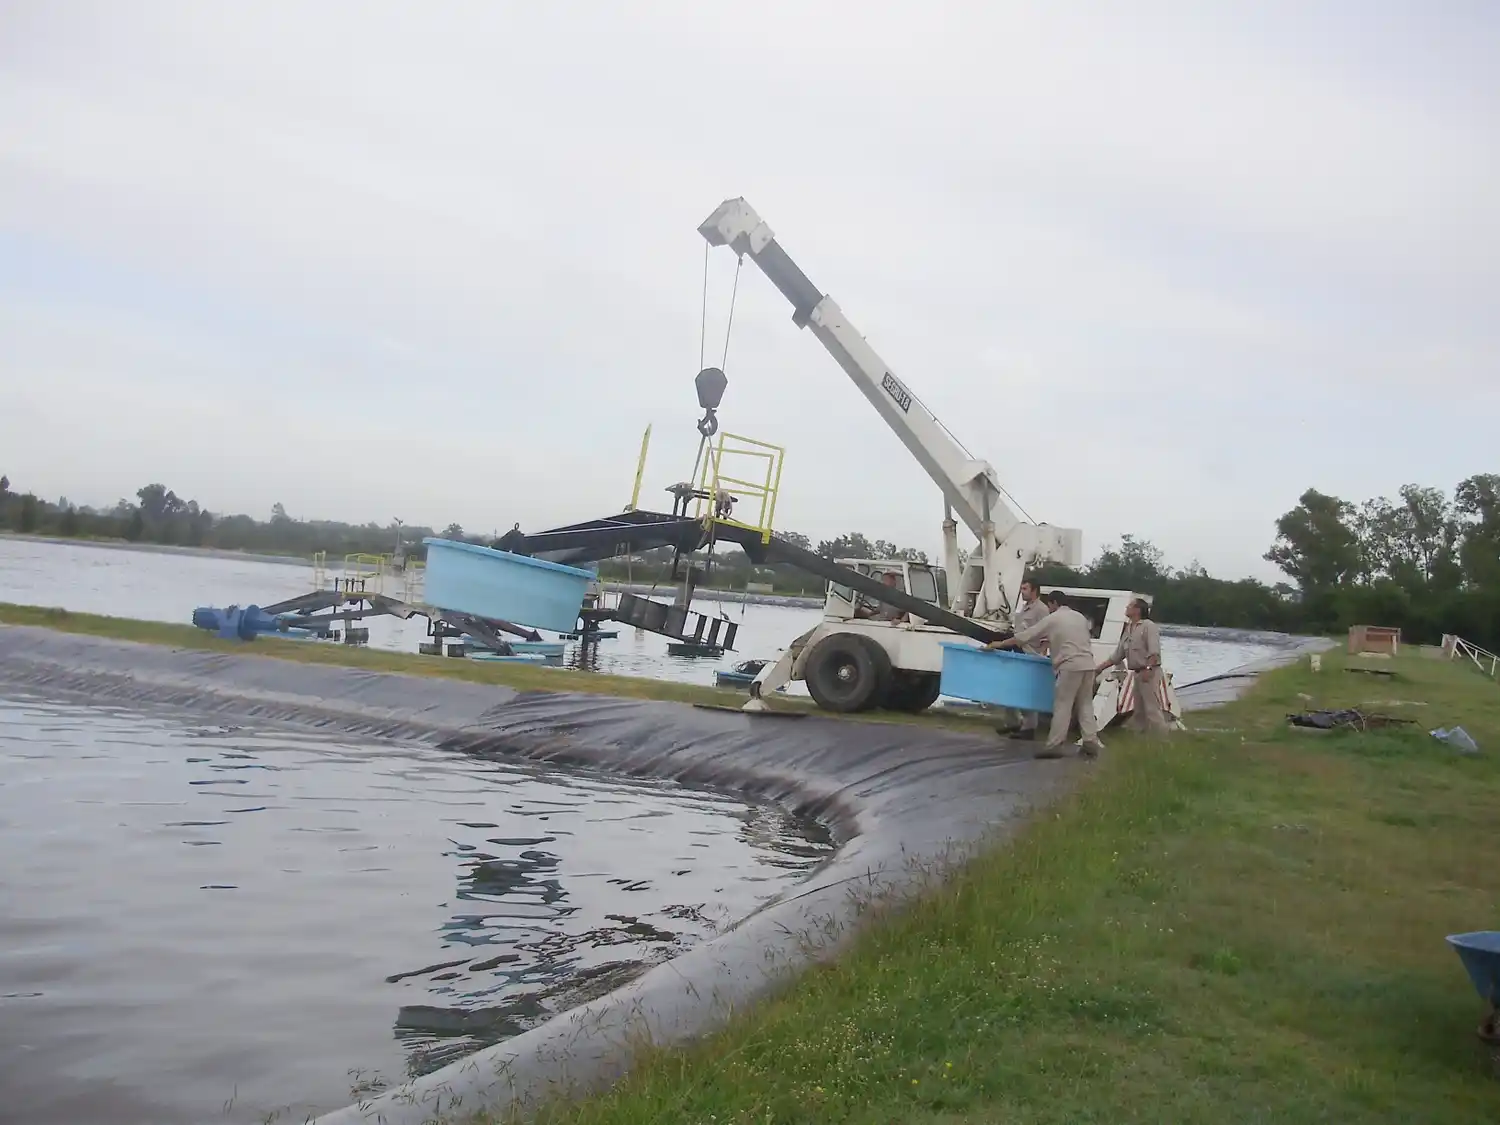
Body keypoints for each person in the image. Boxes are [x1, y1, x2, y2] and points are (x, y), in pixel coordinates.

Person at [987, 590, 1106, 759]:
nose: (1049, 609)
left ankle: (1055, 745)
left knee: (1063, 705)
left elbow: (1025, 636)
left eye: (1049, 605)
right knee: (1085, 704)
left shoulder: (1053, 618)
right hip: (1088, 664)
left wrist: (1000, 643)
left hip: (1069, 665)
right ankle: (1090, 742)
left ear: (1054, 603)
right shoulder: (1079, 617)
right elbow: (1072, 637)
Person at [1096, 597, 1171, 734]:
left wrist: (1149, 669)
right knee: (1139, 710)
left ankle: (1163, 740)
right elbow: (1117, 655)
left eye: (1129, 606)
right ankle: (1142, 740)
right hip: (1136, 673)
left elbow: (1154, 651)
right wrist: (1099, 668)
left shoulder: (1148, 626)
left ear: (1137, 610)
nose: (1126, 608)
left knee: (1151, 709)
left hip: (1149, 672)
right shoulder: (1129, 628)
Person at [1009, 579, 1050, 740]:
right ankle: (1018, 723)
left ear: (1034, 590)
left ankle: (1029, 728)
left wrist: (1040, 654)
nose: (1022, 591)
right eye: (1021, 588)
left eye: (1025, 588)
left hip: (1031, 653)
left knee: (1028, 691)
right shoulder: (1024, 608)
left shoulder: (1041, 610)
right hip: (1019, 652)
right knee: (1018, 689)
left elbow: (1046, 634)